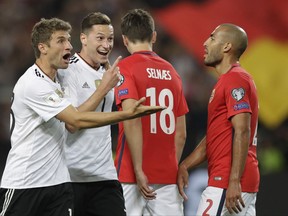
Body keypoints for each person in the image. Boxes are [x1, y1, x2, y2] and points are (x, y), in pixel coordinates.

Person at [0, 17, 164, 216]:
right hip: (25, 182)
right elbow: (75, 121)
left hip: (61, 182)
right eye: (61, 41)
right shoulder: (37, 83)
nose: (68, 45)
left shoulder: (57, 79)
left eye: (68, 40)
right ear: (43, 47)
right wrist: (125, 113)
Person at [177, 23, 260, 215]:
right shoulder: (228, 80)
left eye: (212, 38)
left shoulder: (235, 79)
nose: (205, 43)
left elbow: (242, 130)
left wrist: (233, 181)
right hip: (237, 179)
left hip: (227, 180)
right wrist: (185, 165)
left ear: (226, 47)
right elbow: (215, 138)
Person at [114, 9, 189, 216]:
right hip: (167, 176)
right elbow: (181, 134)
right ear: (154, 36)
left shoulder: (125, 68)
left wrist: (139, 169)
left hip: (130, 174)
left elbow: (131, 118)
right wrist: (170, 167)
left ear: (125, 39)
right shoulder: (173, 72)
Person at [58, 12, 125, 216]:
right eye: (100, 38)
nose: (107, 45)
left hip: (105, 175)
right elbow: (72, 123)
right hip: (72, 177)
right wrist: (103, 88)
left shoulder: (109, 73)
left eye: (110, 39)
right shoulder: (67, 71)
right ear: (84, 39)